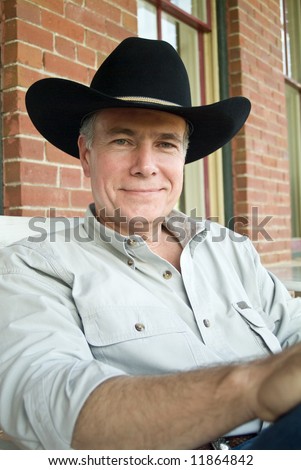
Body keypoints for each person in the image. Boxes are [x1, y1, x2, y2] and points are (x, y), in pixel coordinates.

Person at [1, 37, 301, 451]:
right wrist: (251, 386)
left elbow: (293, 333)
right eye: (123, 140)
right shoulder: (34, 266)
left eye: (165, 144)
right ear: (87, 154)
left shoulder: (231, 249)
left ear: (183, 158)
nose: (146, 166)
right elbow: (51, 406)